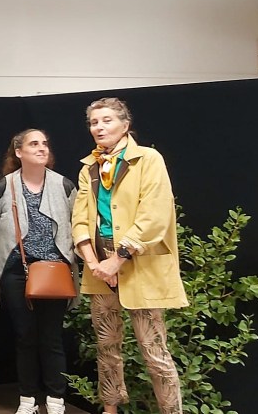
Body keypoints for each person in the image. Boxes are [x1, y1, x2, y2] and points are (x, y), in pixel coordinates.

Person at [71, 97, 188, 414]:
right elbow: (80, 219)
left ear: (125, 124)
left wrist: (117, 259)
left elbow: (155, 215)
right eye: (94, 122)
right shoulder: (89, 167)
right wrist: (94, 263)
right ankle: (110, 410)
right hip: (99, 265)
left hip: (137, 260)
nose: (99, 127)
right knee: (106, 348)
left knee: (154, 351)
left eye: (106, 120)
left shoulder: (148, 159)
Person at [0, 130, 76, 414]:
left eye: (45, 144)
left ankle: (56, 400)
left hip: (55, 271)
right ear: (18, 152)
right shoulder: (4, 187)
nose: (41, 148)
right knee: (25, 336)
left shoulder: (64, 185)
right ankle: (27, 400)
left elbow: (76, 225)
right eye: (34, 144)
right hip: (17, 271)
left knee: (52, 338)